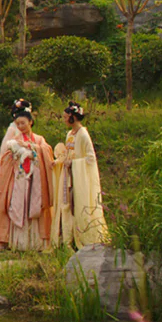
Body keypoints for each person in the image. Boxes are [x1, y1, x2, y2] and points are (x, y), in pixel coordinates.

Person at [0, 99, 54, 251]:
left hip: (35, 179)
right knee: (17, 206)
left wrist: (33, 148)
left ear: (30, 122)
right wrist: (17, 153)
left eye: (23, 123)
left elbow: (46, 152)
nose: (21, 127)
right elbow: (6, 157)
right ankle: (16, 241)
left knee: (36, 205)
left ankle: (37, 241)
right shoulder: (14, 140)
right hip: (20, 179)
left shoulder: (39, 139)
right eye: (18, 124)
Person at [53, 102, 109, 249]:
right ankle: (67, 239)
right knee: (67, 205)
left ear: (73, 117)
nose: (64, 119)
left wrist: (75, 164)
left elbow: (91, 158)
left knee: (77, 204)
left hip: (78, 176)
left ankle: (83, 236)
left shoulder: (83, 134)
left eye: (65, 117)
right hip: (68, 175)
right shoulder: (69, 134)